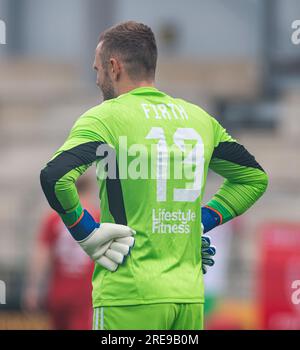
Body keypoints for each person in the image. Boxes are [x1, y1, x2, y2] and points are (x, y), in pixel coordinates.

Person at [40, 21, 268, 330]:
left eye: (97, 70)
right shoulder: (199, 118)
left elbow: (55, 176)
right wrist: (200, 221)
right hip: (187, 298)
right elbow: (254, 178)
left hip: (128, 294)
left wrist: (86, 232)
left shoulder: (105, 118)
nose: (96, 80)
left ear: (113, 66)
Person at [23, 176, 98, 330]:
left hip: (58, 291)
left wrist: (33, 288)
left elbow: (41, 255)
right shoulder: (97, 217)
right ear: (89, 190)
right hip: (85, 294)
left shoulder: (53, 218)